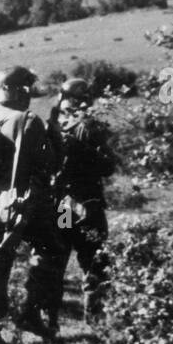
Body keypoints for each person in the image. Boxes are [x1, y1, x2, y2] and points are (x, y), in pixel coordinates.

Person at [0, 67, 64, 344]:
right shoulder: (29, 121)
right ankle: (31, 312)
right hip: (23, 205)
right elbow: (49, 165)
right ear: (22, 92)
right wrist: (55, 135)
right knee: (52, 250)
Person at [49, 78, 118, 328]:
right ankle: (95, 320)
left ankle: (51, 320)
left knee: (59, 258)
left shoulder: (55, 124)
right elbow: (108, 167)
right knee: (94, 258)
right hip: (87, 205)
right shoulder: (91, 127)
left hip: (63, 206)